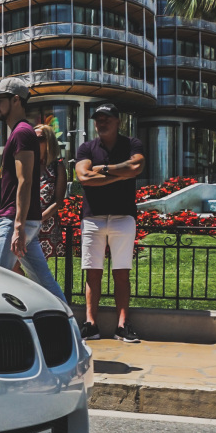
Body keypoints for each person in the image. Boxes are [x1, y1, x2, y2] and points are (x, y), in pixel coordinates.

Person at [0, 77, 66, 302]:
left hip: (15, 220)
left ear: (15, 100)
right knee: (45, 283)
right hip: (23, 221)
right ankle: (71, 330)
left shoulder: (22, 133)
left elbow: (25, 181)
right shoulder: (21, 133)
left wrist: (18, 226)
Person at [75, 102, 145, 342]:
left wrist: (104, 170)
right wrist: (120, 175)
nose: (101, 122)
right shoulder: (86, 148)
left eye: (106, 118)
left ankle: (122, 325)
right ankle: (90, 323)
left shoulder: (131, 144)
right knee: (92, 273)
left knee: (121, 273)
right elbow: (84, 177)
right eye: (98, 118)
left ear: (118, 121)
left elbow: (136, 166)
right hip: (92, 217)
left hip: (123, 216)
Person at [36, 124, 67, 258]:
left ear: (49, 142)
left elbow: (58, 201)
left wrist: (40, 218)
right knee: (13, 264)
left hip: (47, 224)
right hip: (25, 221)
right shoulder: (26, 164)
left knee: (39, 269)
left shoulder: (57, 166)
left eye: (40, 139)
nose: (35, 142)